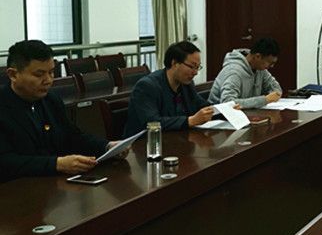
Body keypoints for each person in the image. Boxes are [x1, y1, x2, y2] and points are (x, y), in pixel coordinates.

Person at [0, 39, 111, 181]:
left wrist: (107, 147)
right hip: (16, 188)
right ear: (13, 75)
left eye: (51, 72)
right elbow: (5, 161)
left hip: (53, 184)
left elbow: (73, 137)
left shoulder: (51, 100)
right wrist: (56, 164)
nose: (48, 80)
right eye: (39, 75)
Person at [124, 41, 215, 136]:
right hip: (145, 142)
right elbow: (152, 122)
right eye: (192, 67)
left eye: (197, 67)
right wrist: (190, 121)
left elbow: (202, 106)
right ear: (174, 63)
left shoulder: (186, 85)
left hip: (177, 138)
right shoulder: (147, 86)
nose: (195, 72)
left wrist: (223, 110)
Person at [209, 37, 282, 110]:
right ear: (257, 56)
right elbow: (227, 102)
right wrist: (264, 100)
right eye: (270, 63)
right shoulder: (234, 72)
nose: (272, 66)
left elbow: (276, 88)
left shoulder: (259, 68)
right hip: (219, 114)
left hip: (245, 112)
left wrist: (274, 94)